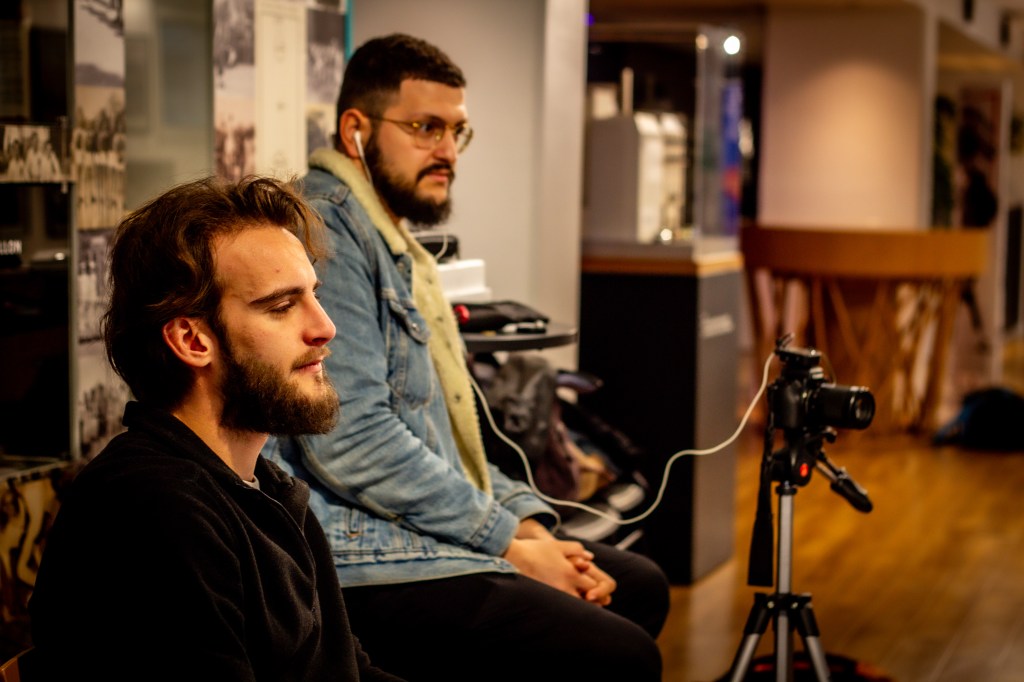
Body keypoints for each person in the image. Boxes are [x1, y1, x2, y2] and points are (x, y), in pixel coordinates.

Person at [263, 34, 669, 681]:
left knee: (639, 584)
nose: (447, 152)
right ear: (355, 131)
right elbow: (350, 439)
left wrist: (526, 524)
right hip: (357, 552)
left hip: (411, 525)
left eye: (458, 132)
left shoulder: (389, 234)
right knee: (621, 653)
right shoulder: (326, 224)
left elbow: (449, 444)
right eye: (425, 128)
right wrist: (507, 540)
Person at [28, 176, 403, 682]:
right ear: (192, 339)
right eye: (281, 306)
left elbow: (348, 671)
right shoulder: (153, 510)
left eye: (313, 295)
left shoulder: (267, 491)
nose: (325, 326)